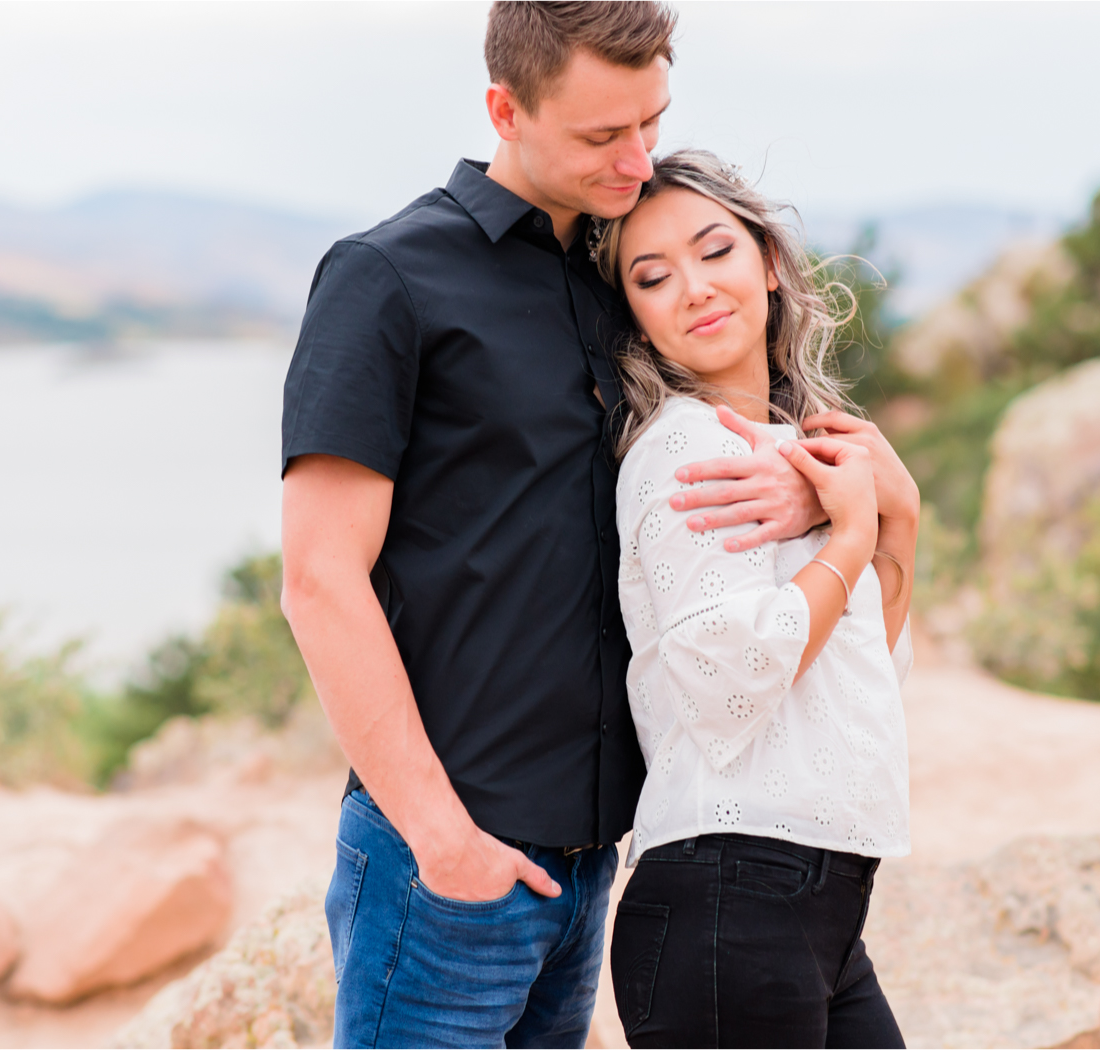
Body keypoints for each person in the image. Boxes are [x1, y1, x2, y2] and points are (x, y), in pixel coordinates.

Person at [279, 6, 830, 1048]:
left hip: (595, 861)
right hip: (446, 864)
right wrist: (443, 841)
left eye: (649, 124)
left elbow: (734, 415)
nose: (635, 162)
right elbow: (316, 580)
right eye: (598, 137)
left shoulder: (625, 276)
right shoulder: (387, 279)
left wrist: (811, 486)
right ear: (505, 108)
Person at [595, 149, 919, 1048]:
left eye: (716, 252)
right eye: (652, 276)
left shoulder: (796, 449)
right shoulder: (682, 451)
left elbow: (862, 675)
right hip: (728, 901)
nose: (694, 288)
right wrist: (852, 536)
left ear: (769, 263)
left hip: (811, 909)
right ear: (635, 314)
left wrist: (901, 518)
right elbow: (729, 682)